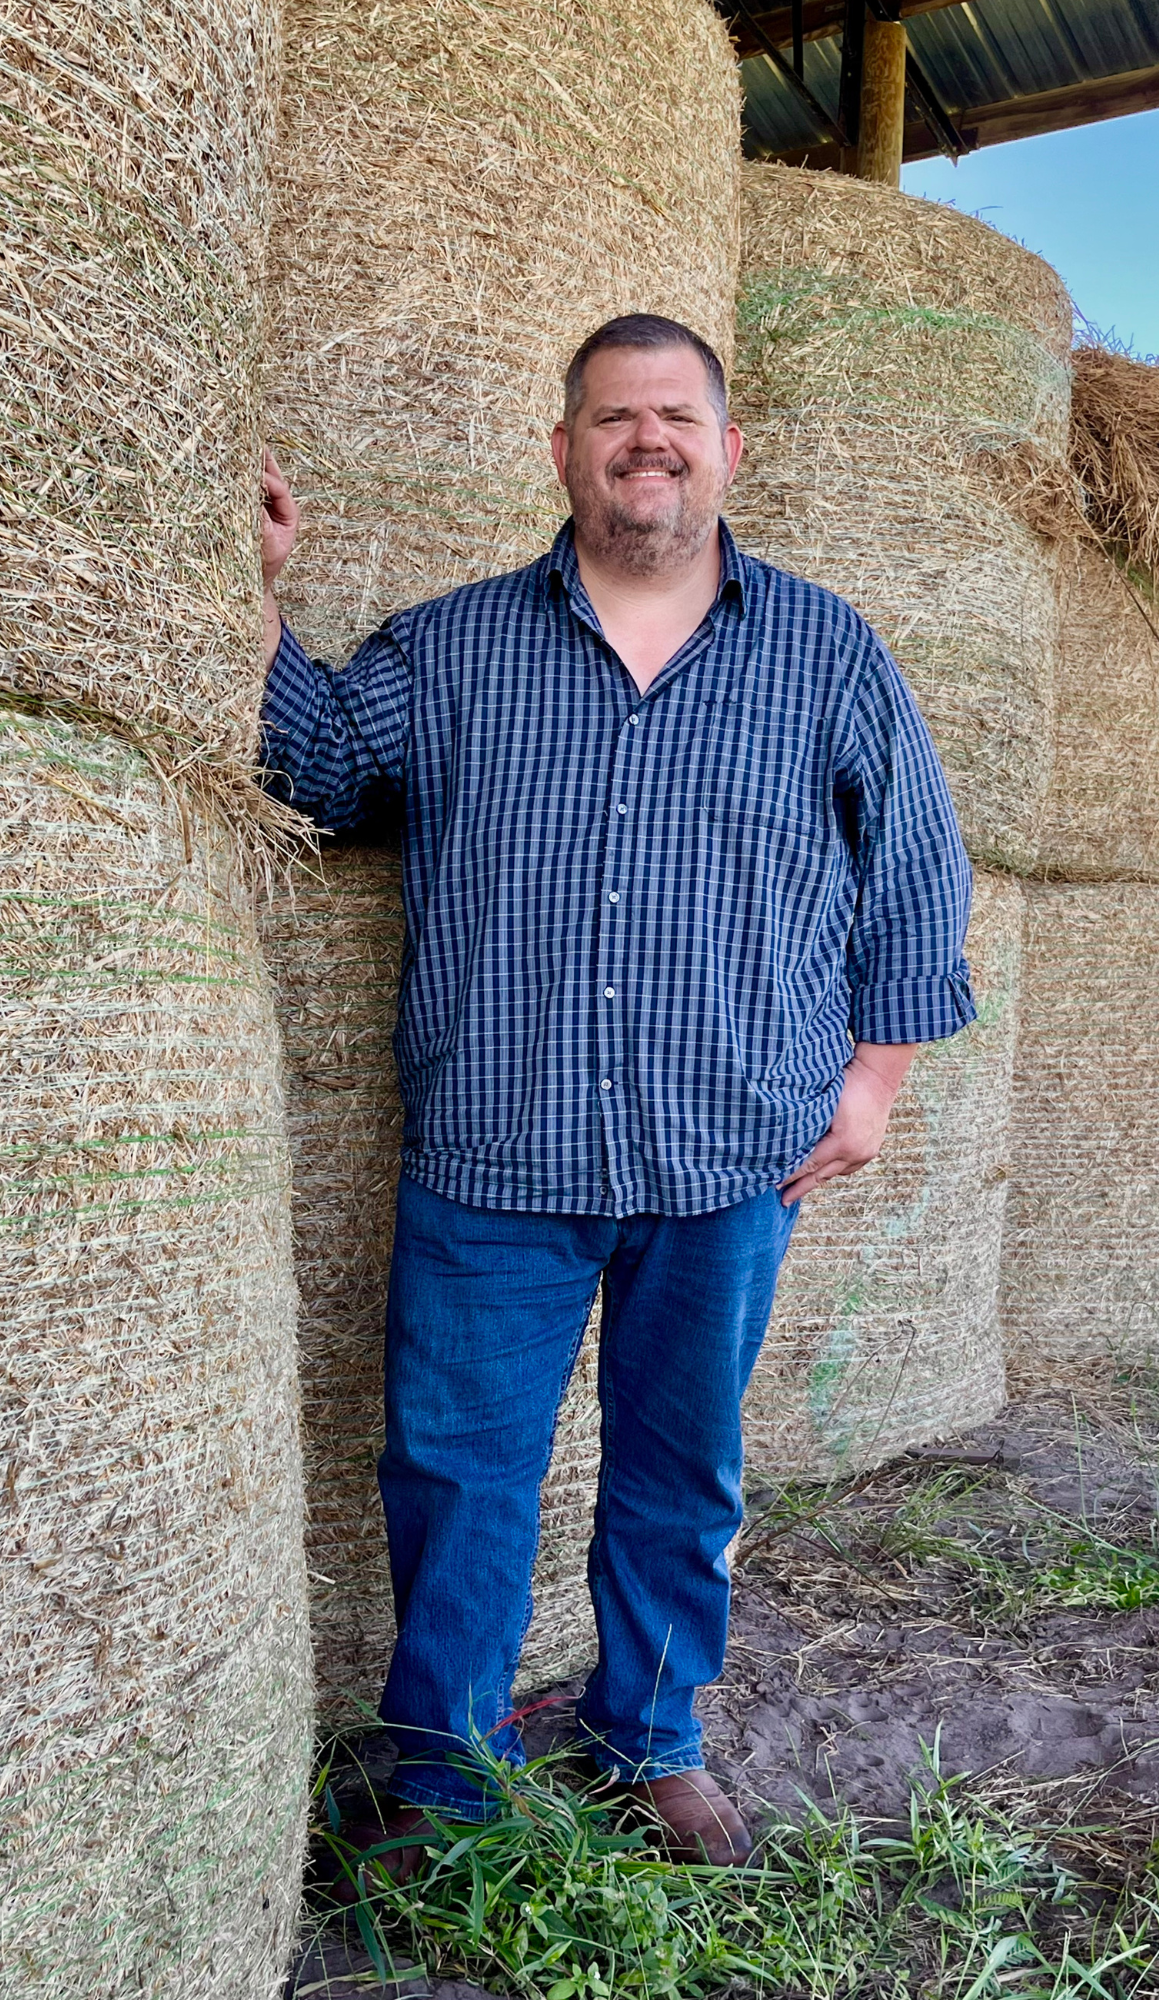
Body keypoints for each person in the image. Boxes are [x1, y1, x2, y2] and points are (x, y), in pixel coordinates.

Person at [259, 313, 974, 1877]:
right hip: (495, 1152)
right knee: (456, 1476)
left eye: (673, 416)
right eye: (610, 418)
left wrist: (873, 1082)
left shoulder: (824, 650)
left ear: (726, 449)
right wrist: (246, 603)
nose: (642, 441)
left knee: (680, 1469)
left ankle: (645, 1738)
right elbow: (313, 770)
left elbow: (916, 872)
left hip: (728, 1153)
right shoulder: (446, 649)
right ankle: (440, 1770)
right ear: (564, 449)